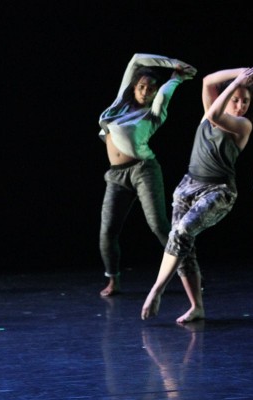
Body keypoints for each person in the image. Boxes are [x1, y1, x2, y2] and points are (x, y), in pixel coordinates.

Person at [141, 67, 253, 323]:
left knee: (181, 233)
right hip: (187, 186)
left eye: (245, 101)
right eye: (235, 99)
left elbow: (214, 114)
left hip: (219, 191)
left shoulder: (242, 126)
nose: (241, 105)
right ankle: (196, 307)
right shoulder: (209, 115)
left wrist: (237, 83)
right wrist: (243, 73)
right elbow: (207, 80)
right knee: (184, 249)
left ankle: (157, 290)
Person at [98, 53, 197, 297]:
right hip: (116, 175)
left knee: (159, 226)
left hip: (144, 171)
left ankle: (191, 272)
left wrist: (176, 77)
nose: (146, 91)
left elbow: (164, 94)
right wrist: (172, 62)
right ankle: (113, 280)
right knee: (108, 231)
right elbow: (136, 59)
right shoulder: (120, 103)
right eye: (142, 87)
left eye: (150, 89)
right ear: (134, 87)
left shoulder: (154, 113)